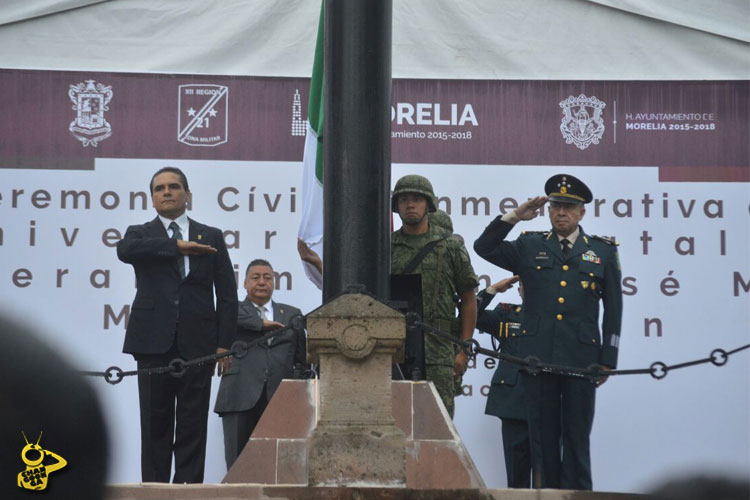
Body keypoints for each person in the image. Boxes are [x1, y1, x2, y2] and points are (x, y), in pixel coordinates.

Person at [473, 173, 622, 490]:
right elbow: (483, 246)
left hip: (581, 360)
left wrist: (608, 357)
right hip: (536, 359)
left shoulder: (603, 252)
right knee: (543, 444)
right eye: (556, 205)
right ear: (549, 209)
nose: (561, 212)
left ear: (581, 212)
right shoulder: (529, 245)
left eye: (569, 206)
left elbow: (614, 308)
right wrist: (514, 216)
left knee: (577, 440)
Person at [116, 166, 238, 483]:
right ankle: (154, 489)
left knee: (192, 424)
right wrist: (177, 247)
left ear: (187, 195)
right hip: (152, 342)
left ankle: (188, 489)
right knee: (154, 424)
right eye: (160, 188)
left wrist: (224, 343)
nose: (167, 192)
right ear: (153, 198)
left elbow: (226, 294)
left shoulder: (210, 235)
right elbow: (125, 251)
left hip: (198, 344)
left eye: (173, 187)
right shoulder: (139, 233)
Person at [391, 174, 478, 418]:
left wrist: (463, 350)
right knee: (396, 421)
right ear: (396, 206)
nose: (410, 205)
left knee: (438, 424)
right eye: (404, 199)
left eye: (417, 199)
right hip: (395, 348)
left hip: (439, 349)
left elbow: (468, 299)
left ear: (428, 205)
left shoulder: (450, 246)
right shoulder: (387, 246)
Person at [214, 259, 306, 470]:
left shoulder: (292, 314)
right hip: (239, 394)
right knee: (238, 464)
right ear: (245, 284)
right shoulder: (231, 310)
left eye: (268, 278)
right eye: (255, 278)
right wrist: (262, 324)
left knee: (278, 466)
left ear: (274, 283)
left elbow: (301, 359)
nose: (262, 282)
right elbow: (224, 317)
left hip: (280, 397)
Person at [475, 275, 532, 488]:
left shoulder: (560, 317)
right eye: (527, 285)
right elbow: (471, 316)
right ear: (519, 291)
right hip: (513, 403)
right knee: (517, 478)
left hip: (550, 402)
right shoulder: (507, 314)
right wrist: (492, 290)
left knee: (551, 478)